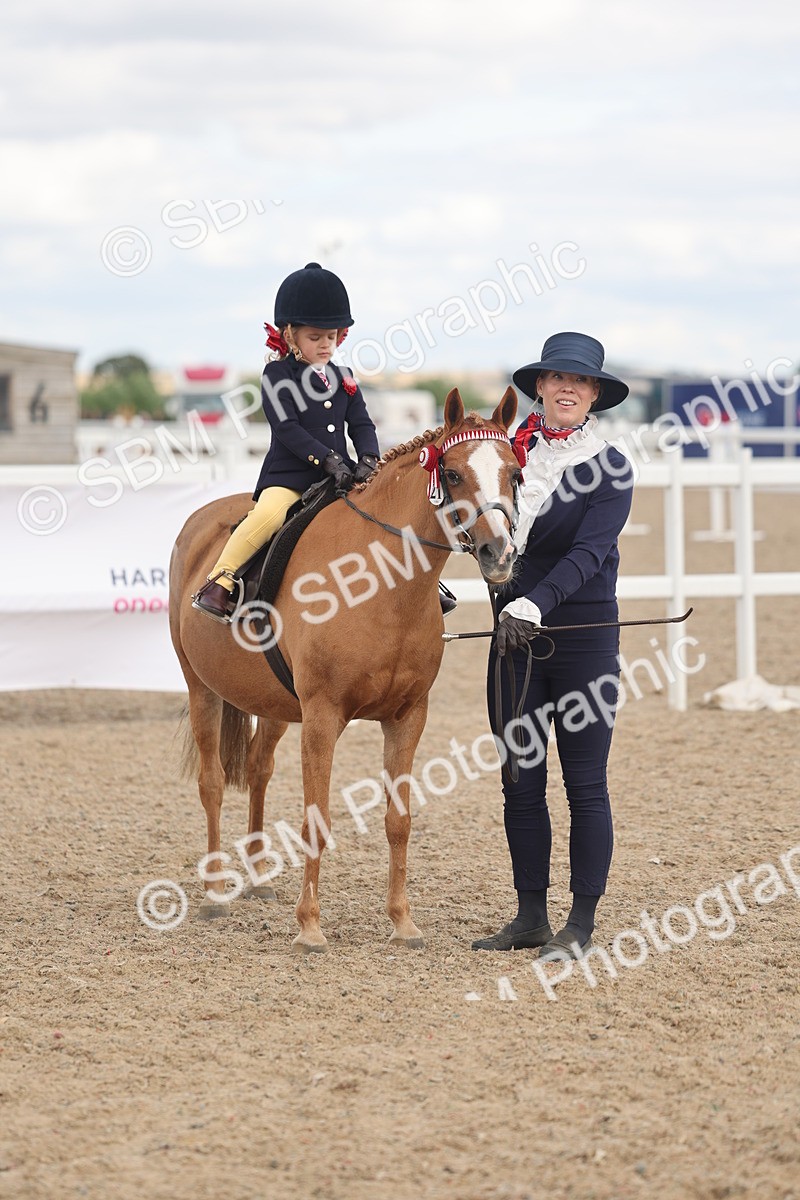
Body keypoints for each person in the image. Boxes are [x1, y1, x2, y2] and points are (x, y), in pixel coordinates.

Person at [472, 332, 633, 960]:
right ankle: (530, 916)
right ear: (540, 386)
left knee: (584, 784)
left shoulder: (610, 467)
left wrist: (535, 603)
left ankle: (581, 922)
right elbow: (473, 525)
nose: (568, 388)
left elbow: (590, 554)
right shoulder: (506, 456)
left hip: (582, 639)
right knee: (519, 781)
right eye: (557, 377)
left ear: (594, 394)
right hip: (514, 642)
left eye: (581, 381)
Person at [192, 262, 381, 623]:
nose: (325, 345)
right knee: (268, 516)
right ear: (291, 335)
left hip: (341, 476)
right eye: (315, 337)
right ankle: (220, 581)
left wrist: (369, 458)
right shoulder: (277, 375)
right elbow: (287, 428)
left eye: (331, 336)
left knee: (384, 511)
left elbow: (361, 423)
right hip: (291, 477)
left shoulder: (344, 376)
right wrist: (327, 460)